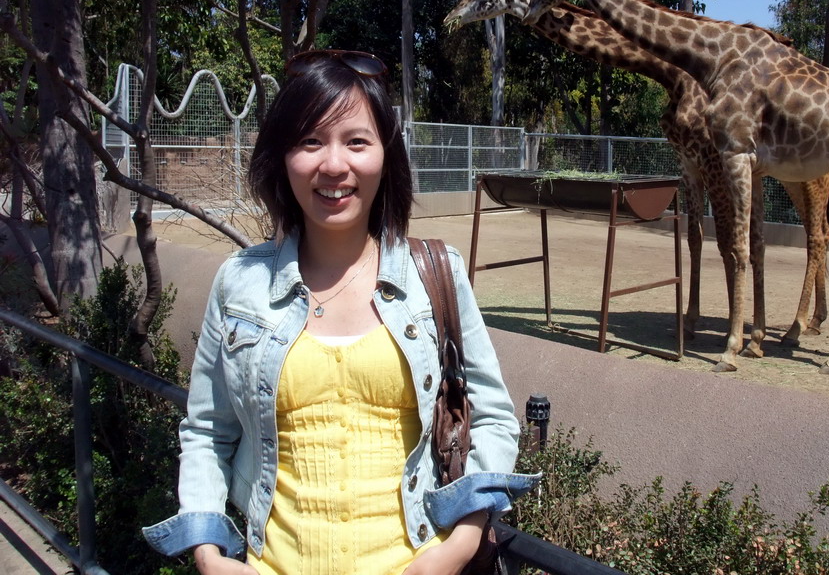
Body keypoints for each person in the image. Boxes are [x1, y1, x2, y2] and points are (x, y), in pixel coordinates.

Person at [143, 50, 538, 575]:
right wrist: (209, 554)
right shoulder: (239, 282)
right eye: (310, 141)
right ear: (283, 158)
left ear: (385, 156)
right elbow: (207, 432)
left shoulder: (435, 275)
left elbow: (491, 417)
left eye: (356, 141)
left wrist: (458, 548)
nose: (333, 164)